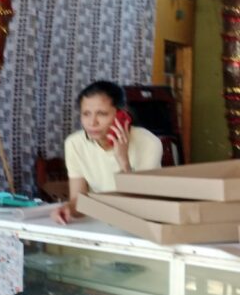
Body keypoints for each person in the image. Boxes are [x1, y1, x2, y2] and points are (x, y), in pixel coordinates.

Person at [52, 80, 163, 225]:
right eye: (86, 114)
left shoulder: (149, 142)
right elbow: (79, 200)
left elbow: (138, 204)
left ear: (122, 115)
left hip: (141, 224)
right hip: (100, 222)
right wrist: (69, 208)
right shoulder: (74, 144)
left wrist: (123, 162)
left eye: (102, 114)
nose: (92, 122)